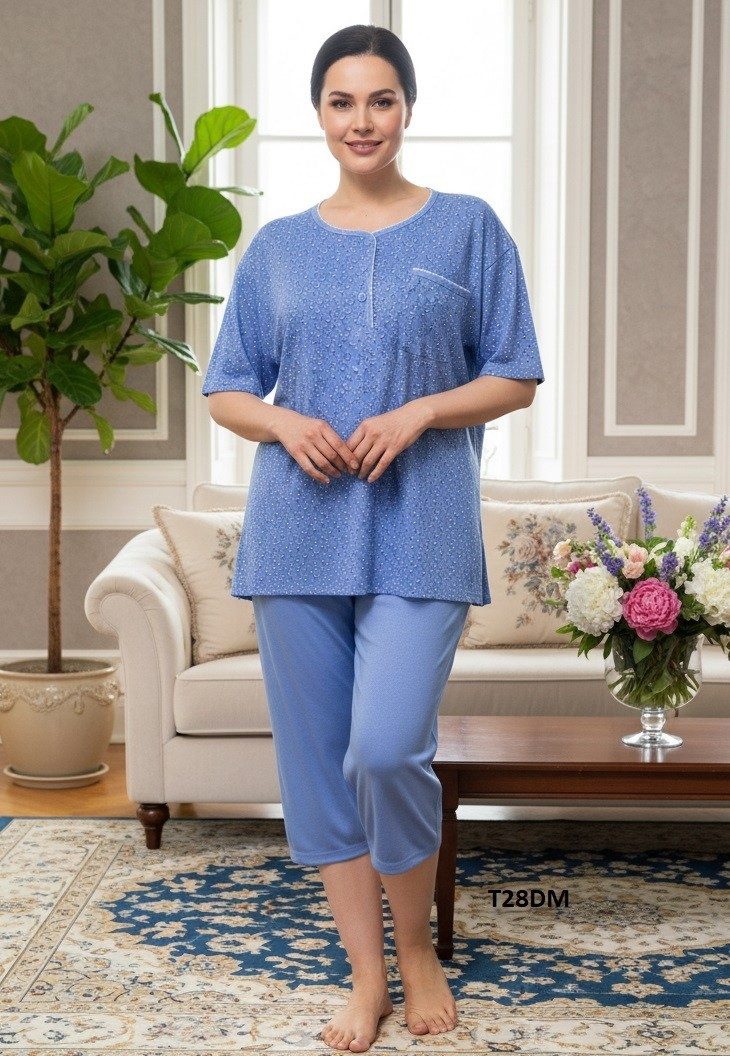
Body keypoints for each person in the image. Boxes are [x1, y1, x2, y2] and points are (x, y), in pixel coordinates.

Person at [202, 23, 545, 1054]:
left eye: (381, 100)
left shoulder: (469, 229)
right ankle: (367, 977)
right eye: (342, 101)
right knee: (317, 766)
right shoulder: (277, 248)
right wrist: (283, 422)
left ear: (407, 109)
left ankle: (418, 946)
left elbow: (515, 373)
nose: (363, 120)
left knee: (386, 747)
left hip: (422, 522)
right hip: (297, 527)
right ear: (319, 114)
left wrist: (423, 410)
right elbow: (227, 387)